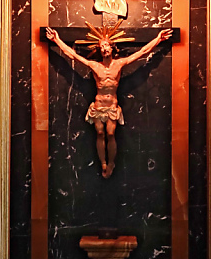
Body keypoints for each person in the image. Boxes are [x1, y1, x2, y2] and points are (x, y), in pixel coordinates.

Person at [45, 23, 172, 178]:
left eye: (107, 45)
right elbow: (72, 55)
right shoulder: (94, 65)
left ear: (112, 48)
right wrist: (57, 40)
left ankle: (111, 162)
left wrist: (158, 39)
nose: (104, 48)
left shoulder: (119, 64)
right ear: (99, 49)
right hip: (98, 106)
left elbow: (142, 52)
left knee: (110, 134)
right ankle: (103, 163)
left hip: (112, 105)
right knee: (99, 133)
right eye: (102, 46)